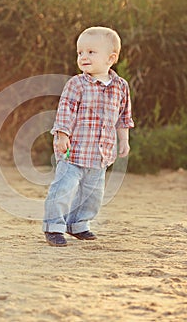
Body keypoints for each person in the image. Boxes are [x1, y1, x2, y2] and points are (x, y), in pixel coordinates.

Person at [43, 26, 134, 247]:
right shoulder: (77, 84)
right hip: (73, 151)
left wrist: (124, 140)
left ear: (111, 58)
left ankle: (78, 224)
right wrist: (62, 135)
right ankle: (53, 226)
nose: (83, 56)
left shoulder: (121, 87)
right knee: (63, 188)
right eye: (80, 52)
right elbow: (66, 110)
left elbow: (123, 116)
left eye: (91, 52)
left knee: (93, 194)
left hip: (100, 153)